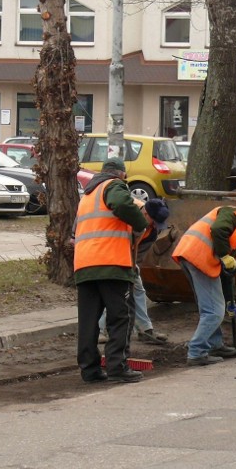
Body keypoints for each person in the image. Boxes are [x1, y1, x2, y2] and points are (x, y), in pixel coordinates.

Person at [74, 157, 150, 383]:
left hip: (85, 265)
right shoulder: (113, 185)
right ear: (120, 174)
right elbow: (123, 204)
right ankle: (118, 365)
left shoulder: (87, 195)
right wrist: (140, 224)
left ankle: (90, 370)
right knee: (121, 316)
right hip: (111, 262)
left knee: (88, 321)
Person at [172, 201, 236, 366]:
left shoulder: (235, 226)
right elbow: (217, 230)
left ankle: (215, 345)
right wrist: (224, 255)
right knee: (214, 311)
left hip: (191, 256)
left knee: (210, 307)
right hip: (199, 258)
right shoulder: (233, 215)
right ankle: (196, 352)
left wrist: (231, 300)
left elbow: (227, 273)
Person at [98, 198, 170, 345]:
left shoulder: (152, 231)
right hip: (109, 255)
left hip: (128, 258)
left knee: (138, 290)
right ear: (145, 213)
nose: (156, 225)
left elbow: (139, 251)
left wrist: (132, 268)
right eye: (154, 220)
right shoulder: (128, 214)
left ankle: (145, 330)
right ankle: (98, 330)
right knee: (114, 292)